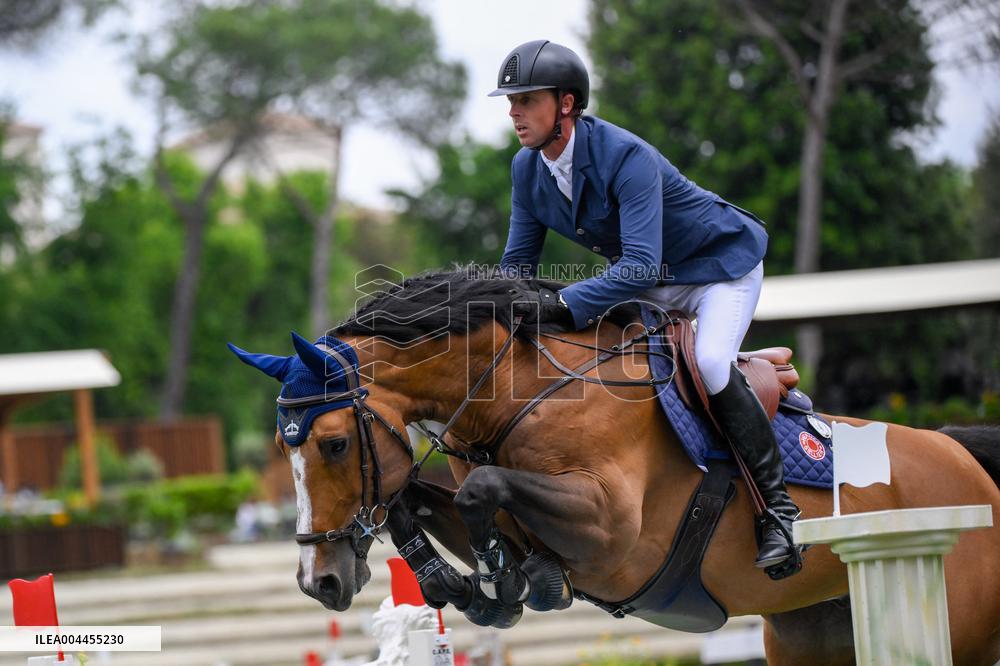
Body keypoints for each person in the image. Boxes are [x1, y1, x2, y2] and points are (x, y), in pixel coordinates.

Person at [491, 39, 800, 573]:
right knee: (592, 348)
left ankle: (778, 512)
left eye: (526, 99)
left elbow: (636, 265)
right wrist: (491, 314)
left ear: (566, 104)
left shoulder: (625, 155)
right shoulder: (527, 167)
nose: (514, 112)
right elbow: (517, 262)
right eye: (510, 101)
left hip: (717, 269)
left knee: (708, 363)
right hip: (655, 279)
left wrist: (565, 301)